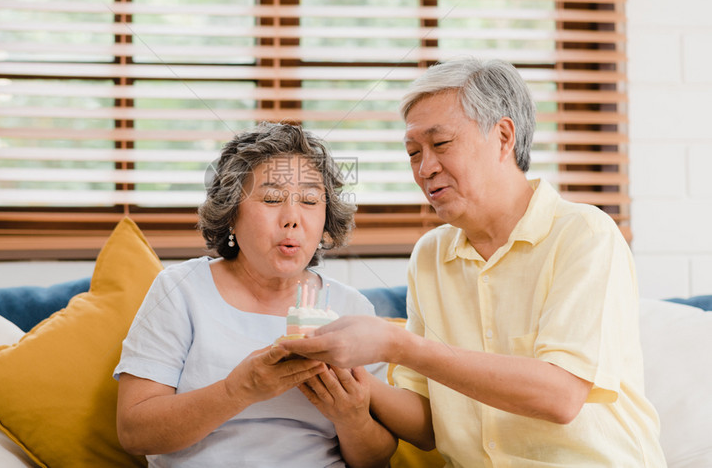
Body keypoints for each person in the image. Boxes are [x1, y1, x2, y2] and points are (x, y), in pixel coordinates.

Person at [282, 58, 667, 466]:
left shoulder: (584, 234)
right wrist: (347, 380)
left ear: (503, 137)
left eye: (441, 144)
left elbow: (560, 396)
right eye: (414, 152)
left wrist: (397, 344)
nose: (425, 168)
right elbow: (429, 426)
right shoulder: (430, 255)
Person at [114, 122, 396, 468]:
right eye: (272, 198)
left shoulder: (351, 308)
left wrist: (352, 418)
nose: (292, 219)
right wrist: (239, 390)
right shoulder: (180, 289)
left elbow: (377, 459)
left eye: (309, 200)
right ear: (231, 214)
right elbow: (133, 432)